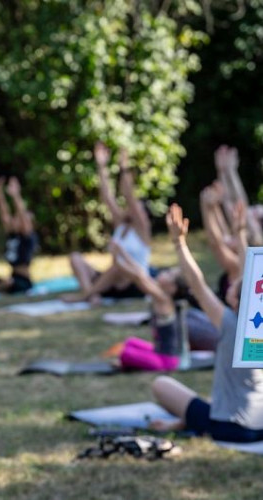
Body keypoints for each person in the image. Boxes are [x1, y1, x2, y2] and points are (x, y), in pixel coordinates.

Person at [150, 203, 263, 442]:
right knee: (220, 397)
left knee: (161, 384)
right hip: (259, 425)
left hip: (231, 428)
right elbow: (252, 279)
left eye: (233, 286)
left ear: (234, 301)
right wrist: (240, 234)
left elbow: (198, 285)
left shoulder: (231, 322)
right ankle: (184, 421)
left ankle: (188, 421)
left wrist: (179, 243)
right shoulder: (257, 324)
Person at [64, 142, 152, 304]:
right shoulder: (121, 224)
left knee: (119, 266)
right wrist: (101, 165)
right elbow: (107, 196)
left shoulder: (142, 229)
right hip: (111, 281)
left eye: (134, 207)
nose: (128, 207)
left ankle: (86, 295)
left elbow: (129, 196)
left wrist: (123, 167)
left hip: (133, 283)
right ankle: (92, 295)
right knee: (76, 258)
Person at [107, 241, 191, 371]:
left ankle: (125, 362)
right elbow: (140, 272)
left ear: (172, 288)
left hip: (169, 361)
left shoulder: (163, 299)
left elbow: (138, 277)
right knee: (130, 342)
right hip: (159, 351)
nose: (164, 272)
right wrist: (121, 252)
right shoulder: (161, 294)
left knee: (126, 353)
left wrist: (116, 258)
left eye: (169, 275)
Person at [0, 176, 37, 294]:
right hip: (12, 277)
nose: (15, 220)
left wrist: (16, 195)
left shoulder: (28, 237)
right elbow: (4, 214)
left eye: (18, 220)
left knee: (9, 282)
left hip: (23, 281)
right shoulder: (12, 235)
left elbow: (22, 215)